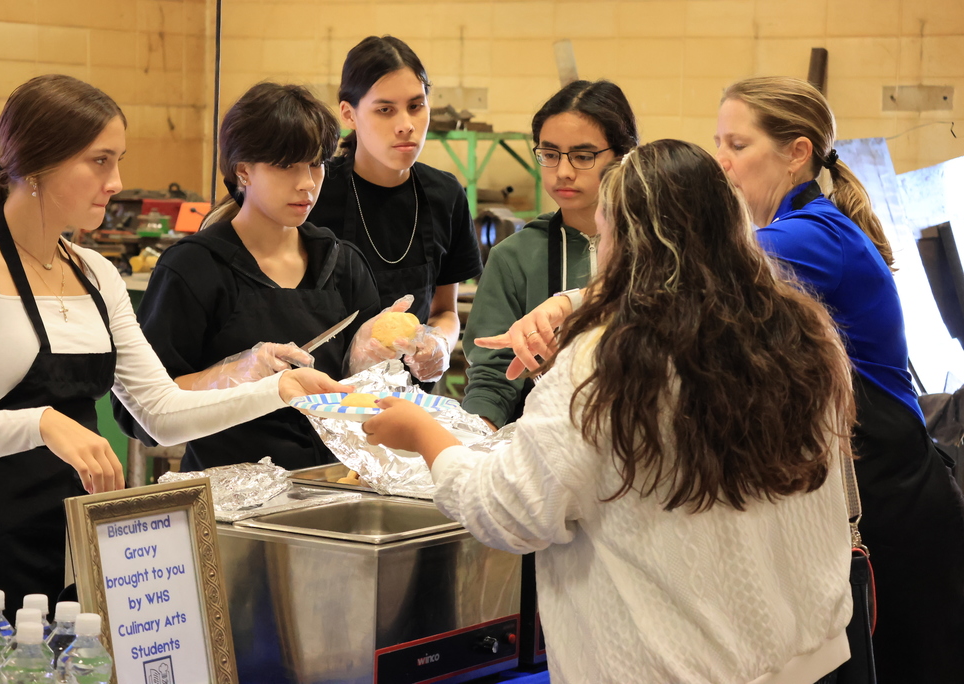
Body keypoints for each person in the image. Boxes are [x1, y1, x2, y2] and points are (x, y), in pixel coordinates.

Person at [361, 140, 856, 683]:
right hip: (815, 658)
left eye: (602, 232)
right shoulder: (800, 331)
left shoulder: (606, 358)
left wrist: (426, 435)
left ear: (621, 239)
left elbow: (512, 512)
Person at [0, 75, 349, 616]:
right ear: (38, 164)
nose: (116, 181)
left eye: (118, 160)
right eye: (100, 161)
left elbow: (162, 414)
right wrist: (39, 423)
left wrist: (280, 389)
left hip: (84, 545)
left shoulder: (96, 273)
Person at [715, 76, 964, 682]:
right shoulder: (804, 227)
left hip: (891, 504)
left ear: (797, 152)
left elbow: (693, 279)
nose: (721, 162)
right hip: (861, 493)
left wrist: (568, 305)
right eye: (718, 142)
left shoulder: (811, 236)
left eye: (738, 146)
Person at [112, 83, 381, 472]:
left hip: (335, 488)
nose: (307, 183)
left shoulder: (343, 263)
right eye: (287, 166)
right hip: (228, 500)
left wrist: (387, 357)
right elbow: (140, 412)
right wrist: (232, 374)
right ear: (243, 171)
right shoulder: (194, 268)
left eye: (316, 164)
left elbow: (370, 391)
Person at [461, 79, 638, 428]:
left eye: (584, 156)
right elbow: (493, 378)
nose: (564, 172)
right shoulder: (514, 256)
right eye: (550, 154)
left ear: (623, 156)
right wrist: (472, 445)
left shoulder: (656, 248)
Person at [307, 35, 483, 384]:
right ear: (349, 114)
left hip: (411, 402)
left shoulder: (446, 195)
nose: (405, 124)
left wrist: (440, 345)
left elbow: (445, 311)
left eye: (416, 106)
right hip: (324, 395)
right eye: (385, 110)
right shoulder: (313, 193)